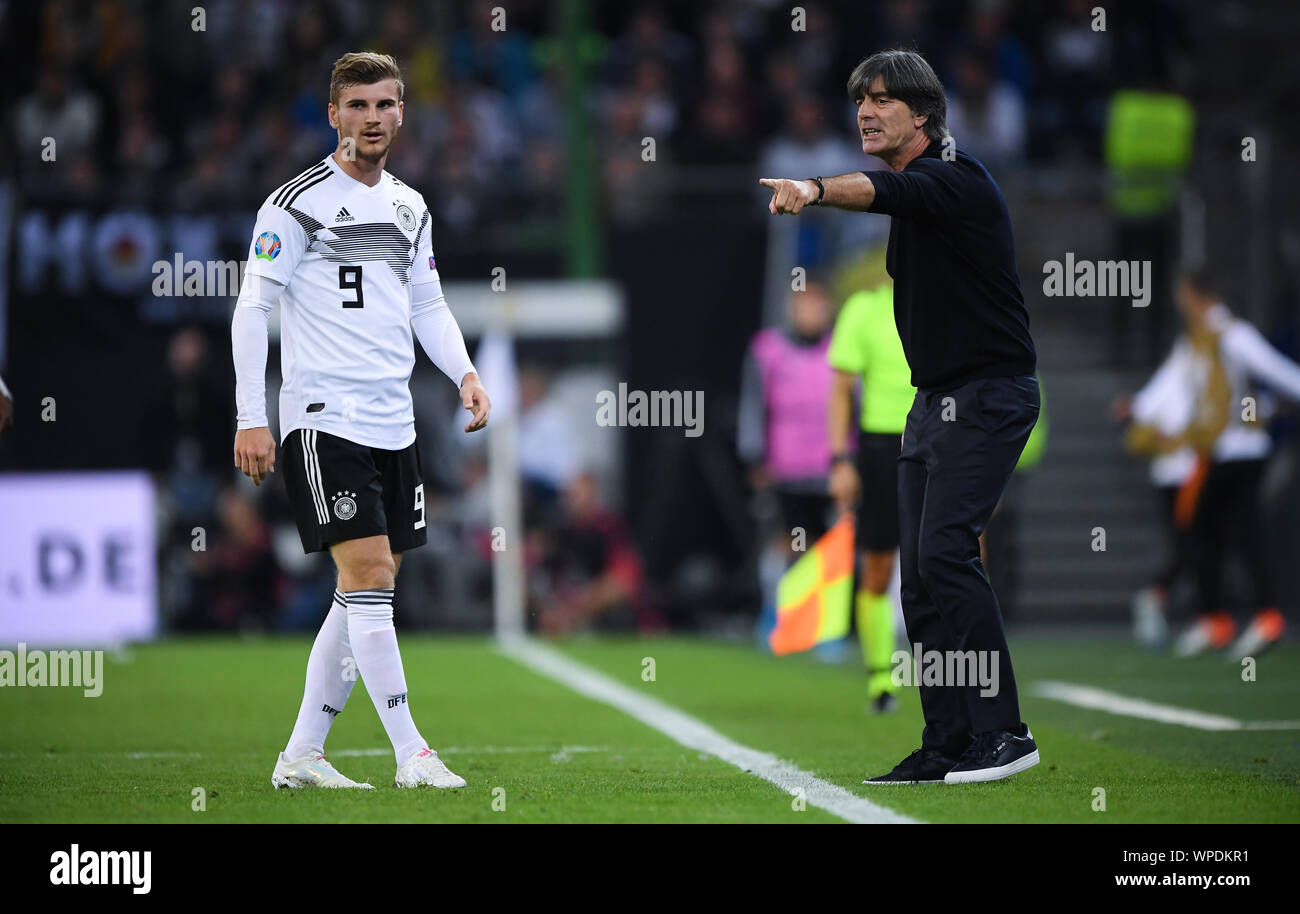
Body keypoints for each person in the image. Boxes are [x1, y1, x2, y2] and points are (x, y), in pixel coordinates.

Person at [761, 49, 1040, 785]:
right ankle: (947, 740)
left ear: (922, 114)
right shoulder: (920, 189)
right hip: (933, 403)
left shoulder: (956, 179)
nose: (866, 110)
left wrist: (813, 187)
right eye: (860, 99)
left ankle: (1005, 731)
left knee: (947, 551)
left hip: (988, 393)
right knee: (916, 575)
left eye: (883, 99)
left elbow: (881, 193)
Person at [231, 52, 490, 790]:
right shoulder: (295, 202)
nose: (372, 118)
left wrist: (465, 372)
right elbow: (253, 309)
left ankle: (302, 755)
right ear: (334, 114)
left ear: (402, 112)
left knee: (363, 591)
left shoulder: (410, 206)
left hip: (393, 422)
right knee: (372, 574)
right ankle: (413, 753)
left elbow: (425, 305)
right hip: (322, 417)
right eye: (359, 105)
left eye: (386, 104)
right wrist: (253, 416)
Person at [737, 281, 837, 651]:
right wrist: (755, 457)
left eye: (818, 306)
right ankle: (775, 616)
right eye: (804, 306)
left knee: (829, 548)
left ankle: (825, 626)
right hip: (785, 466)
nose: (812, 314)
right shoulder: (769, 350)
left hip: (830, 466)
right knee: (785, 543)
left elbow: (851, 402)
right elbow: (753, 404)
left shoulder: (840, 348)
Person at [826, 281, 911, 712]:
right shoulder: (864, 308)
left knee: (959, 556)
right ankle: (882, 676)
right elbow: (841, 387)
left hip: (941, 434)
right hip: (882, 446)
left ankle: (960, 672)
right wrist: (840, 459)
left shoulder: (946, 295)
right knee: (878, 564)